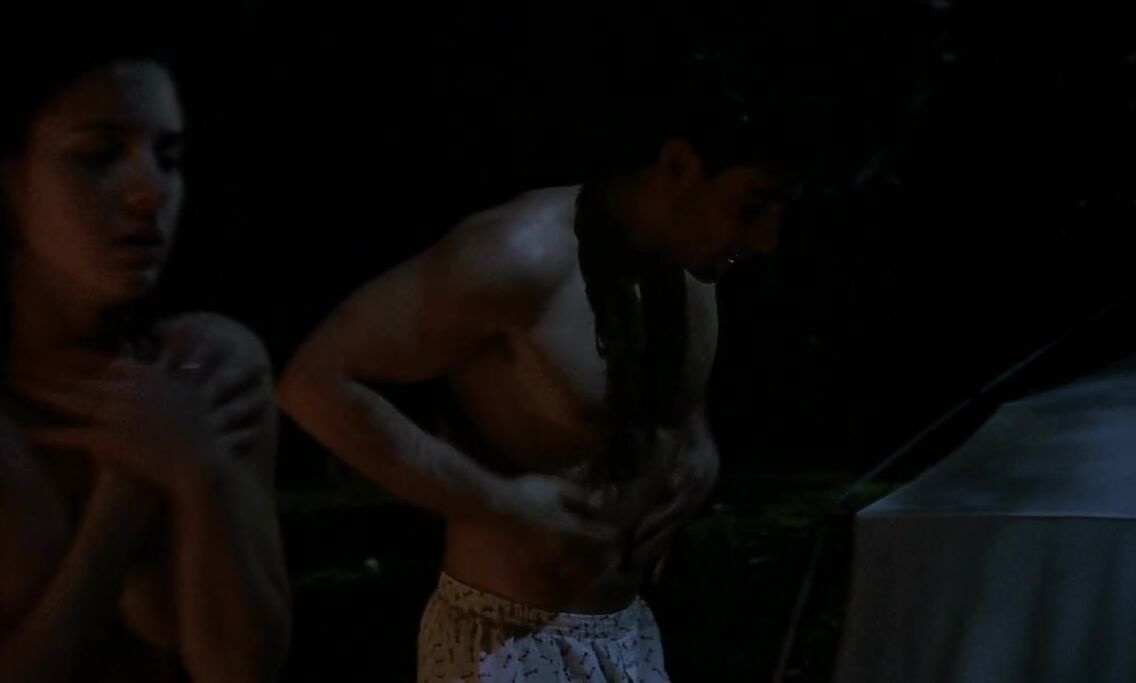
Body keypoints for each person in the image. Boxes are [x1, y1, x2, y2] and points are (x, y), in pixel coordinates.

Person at [278, 47, 809, 681]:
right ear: (678, 165)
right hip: (505, 645)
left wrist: (699, 445)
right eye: (753, 205)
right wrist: (498, 502)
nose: (766, 239)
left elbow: (656, 391)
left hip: (630, 633)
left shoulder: (692, 261)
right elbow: (312, 383)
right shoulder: (515, 258)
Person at [0, 17, 291, 682]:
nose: (151, 190)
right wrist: (123, 498)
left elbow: (241, 670)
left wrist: (201, 474)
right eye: (99, 155)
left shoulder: (208, 365)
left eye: (169, 157)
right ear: (11, 182)